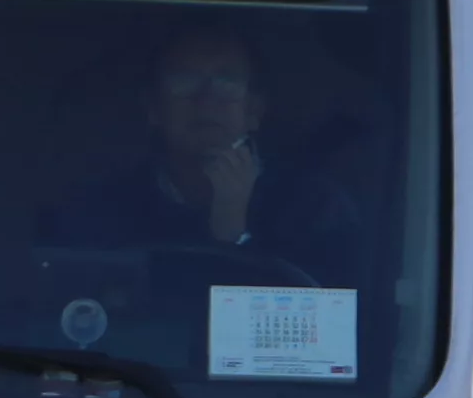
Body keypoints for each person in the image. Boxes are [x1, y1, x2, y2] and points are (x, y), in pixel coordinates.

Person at [45, 23, 363, 285]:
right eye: (183, 82)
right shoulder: (100, 207)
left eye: (227, 83)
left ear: (254, 110)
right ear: (153, 108)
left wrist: (233, 234)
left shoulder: (316, 207)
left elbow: (326, 327)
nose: (206, 101)